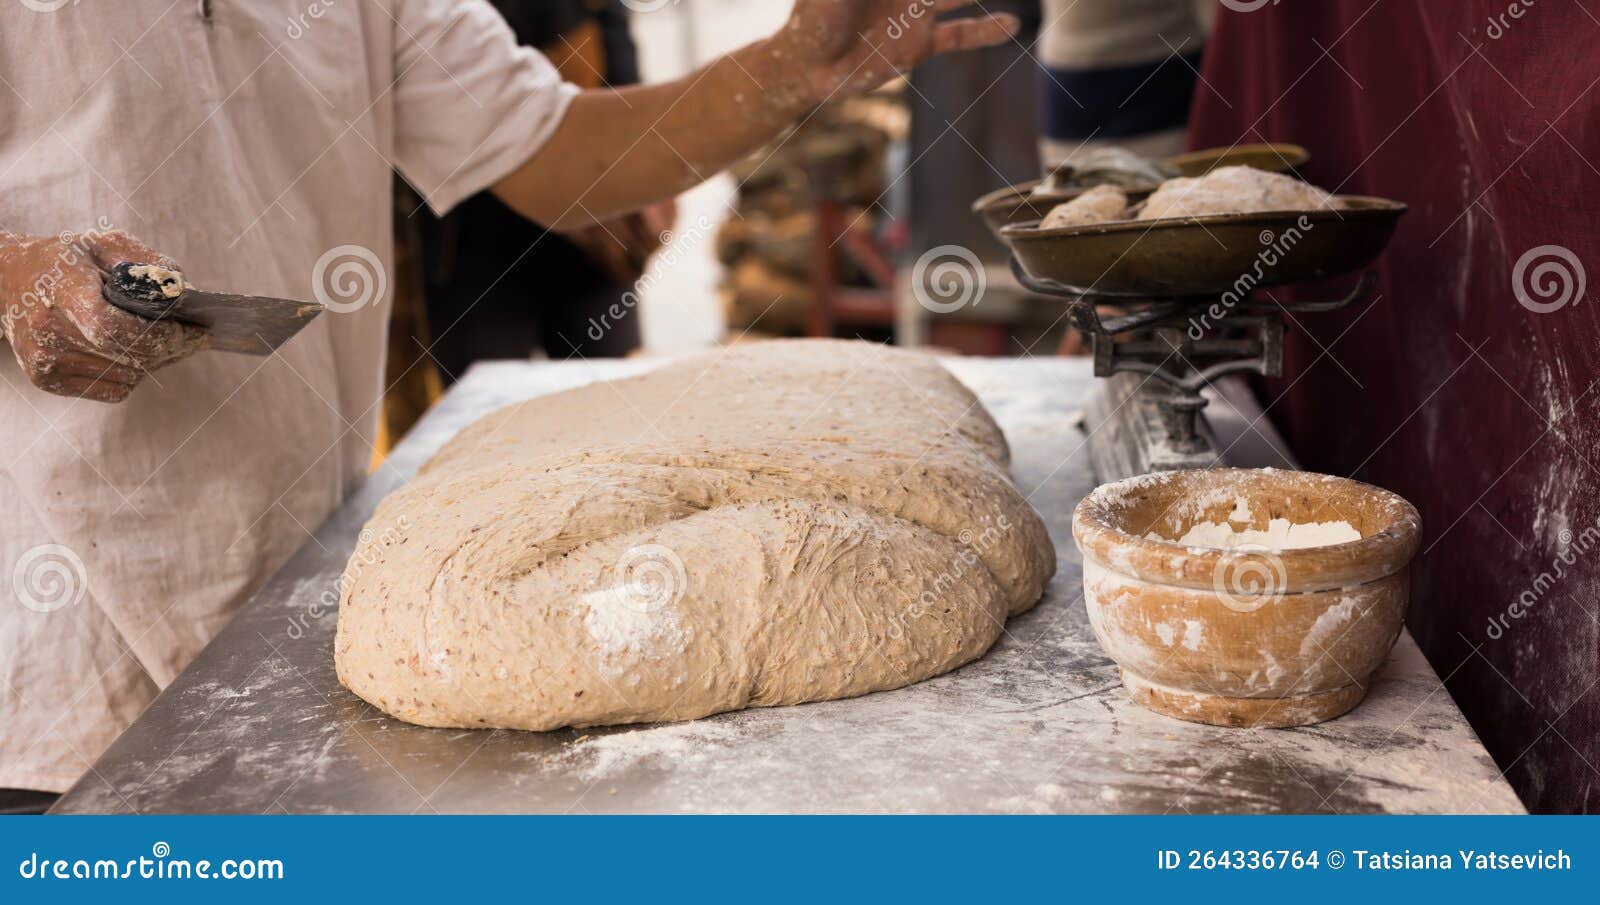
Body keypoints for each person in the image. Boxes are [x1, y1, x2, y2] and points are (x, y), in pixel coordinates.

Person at [0, 0, 1018, 810]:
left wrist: (792, 69)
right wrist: (12, 280)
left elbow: (559, 153)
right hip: (49, 668)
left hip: (296, 600)